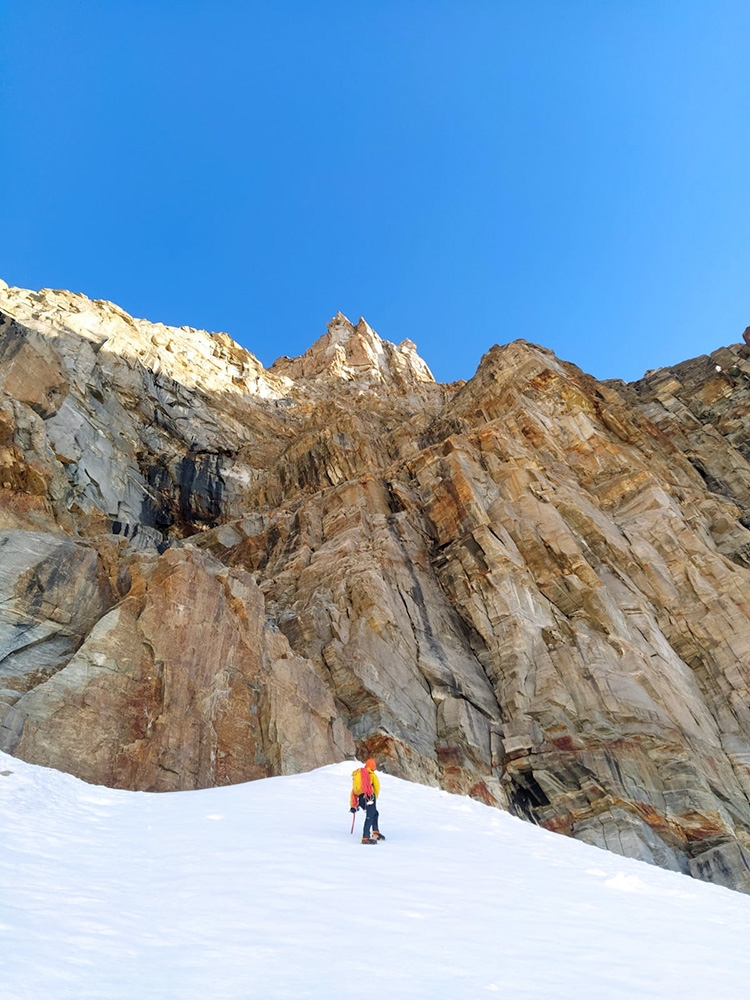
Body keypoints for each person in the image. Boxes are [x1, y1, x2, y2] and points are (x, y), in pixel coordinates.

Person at [350, 757, 385, 844]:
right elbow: (377, 787)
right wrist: (374, 797)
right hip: (370, 797)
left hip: (362, 799)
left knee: (375, 813)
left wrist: (353, 805)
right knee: (370, 815)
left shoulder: (359, 775)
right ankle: (365, 837)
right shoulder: (371, 774)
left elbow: (353, 792)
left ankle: (375, 831)